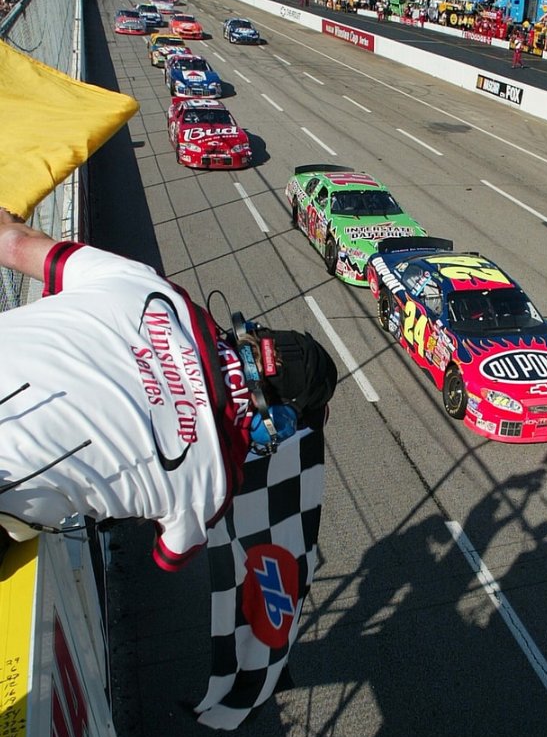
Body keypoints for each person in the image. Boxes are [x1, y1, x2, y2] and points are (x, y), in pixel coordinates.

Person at [0, 208, 337, 570]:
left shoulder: (150, 286)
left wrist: (10, 221)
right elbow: (170, 555)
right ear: (280, 421)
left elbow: (14, 245)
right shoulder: (213, 488)